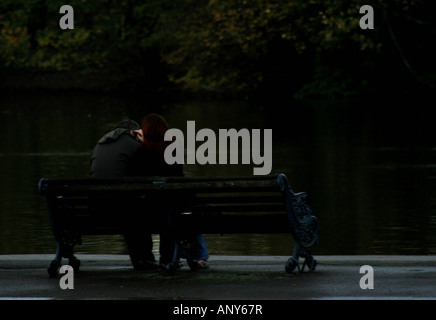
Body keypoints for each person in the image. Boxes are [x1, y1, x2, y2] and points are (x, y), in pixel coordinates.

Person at [128, 113, 210, 269]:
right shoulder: (172, 146)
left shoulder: (141, 151)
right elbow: (178, 174)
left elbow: (135, 175)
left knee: (164, 215)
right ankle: (193, 257)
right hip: (175, 203)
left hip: (151, 206)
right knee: (187, 214)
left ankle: (167, 258)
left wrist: (141, 142)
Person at [89, 119, 159, 270]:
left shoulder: (100, 145)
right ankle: (146, 259)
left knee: (131, 207)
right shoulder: (134, 145)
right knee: (139, 209)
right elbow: (152, 172)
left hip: (96, 211)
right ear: (133, 132)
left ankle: (141, 260)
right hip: (123, 210)